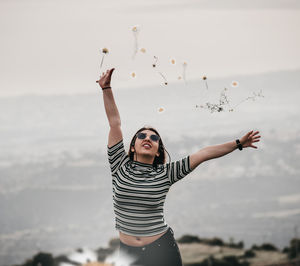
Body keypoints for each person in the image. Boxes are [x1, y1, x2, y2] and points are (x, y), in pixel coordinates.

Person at [96, 68, 261, 266]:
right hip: (128, 254)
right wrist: (106, 88)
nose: (147, 138)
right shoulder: (119, 164)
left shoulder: (166, 173)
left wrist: (238, 144)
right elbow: (115, 123)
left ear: (158, 150)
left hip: (161, 250)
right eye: (142, 136)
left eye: (154, 138)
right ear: (133, 145)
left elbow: (203, 154)